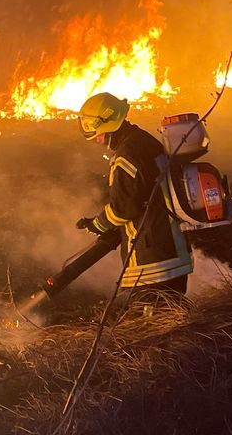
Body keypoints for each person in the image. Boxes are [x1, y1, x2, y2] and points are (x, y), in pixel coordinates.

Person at [70, 91, 193, 307]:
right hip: (172, 248)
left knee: (153, 326)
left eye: (94, 129)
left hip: (152, 259)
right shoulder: (143, 141)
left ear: (107, 123)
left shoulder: (126, 156)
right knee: (172, 316)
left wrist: (98, 224)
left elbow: (123, 209)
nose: (96, 138)